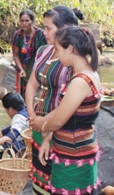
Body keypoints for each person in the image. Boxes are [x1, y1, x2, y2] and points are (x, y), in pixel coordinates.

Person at [29, 26, 101, 194]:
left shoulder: (81, 81)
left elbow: (59, 119)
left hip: (74, 155)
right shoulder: (88, 74)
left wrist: (43, 125)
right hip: (72, 151)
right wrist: (47, 138)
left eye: (58, 49)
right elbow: (64, 110)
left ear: (70, 49)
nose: (57, 54)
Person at [24, 6, 83, 194]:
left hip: (58, 129)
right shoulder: (44, 51)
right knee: (39, 179)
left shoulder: (74, 59)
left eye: (48, 28)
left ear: (65, 28)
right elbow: (32, 84)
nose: (44, 32)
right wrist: (33, 116)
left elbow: (66, 103)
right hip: (38, 125)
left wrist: (47, 128)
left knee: (56, 181)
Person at [11, 10, 46, 99]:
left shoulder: (40, 34)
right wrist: (21, 69)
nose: (24, 23)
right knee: (23, 94)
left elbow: (45, 53)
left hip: (37, 66)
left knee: (36, 93)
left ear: (32, 22)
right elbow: (15, 55)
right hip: (22, 67)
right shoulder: (17, 35)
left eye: (27, 21)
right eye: (22, 21)